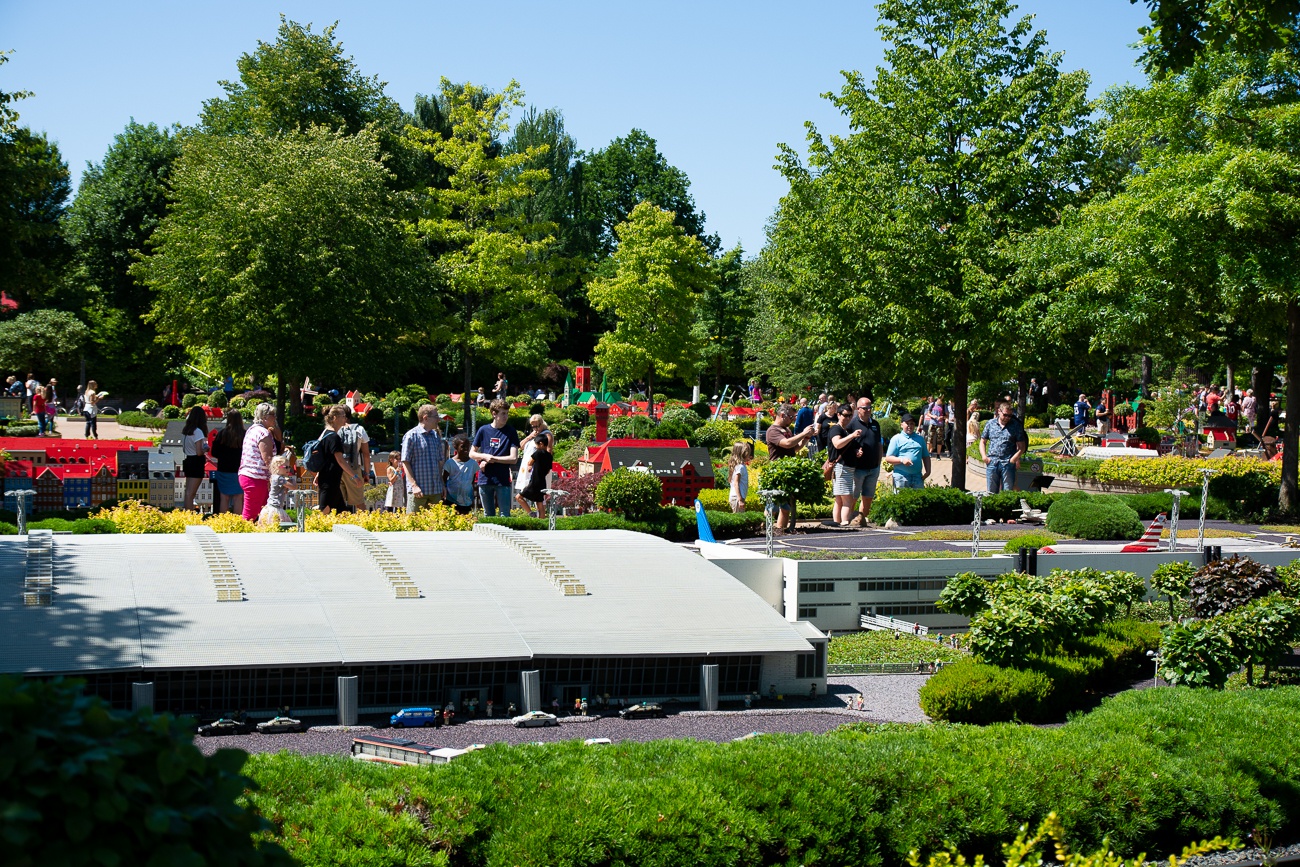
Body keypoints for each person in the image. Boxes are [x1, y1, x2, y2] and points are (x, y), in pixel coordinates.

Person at [765, 404, 818, 532]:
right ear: (782, 415)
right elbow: (787, 443)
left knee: (786, 507)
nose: (793, 419)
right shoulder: (773, 431)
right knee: (773, 506)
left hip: (787, 471)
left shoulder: (787, 430)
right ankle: (766, 530)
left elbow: (795, 448)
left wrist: (807, 437)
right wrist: (803, 433)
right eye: (791, 417)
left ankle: (781, 530)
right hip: (777, 471)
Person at [470, 399, 520, 517]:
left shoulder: (511, 431)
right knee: (488, 514)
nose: (506, 416)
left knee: (505, 515)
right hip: (485, 478)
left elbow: (514, 458)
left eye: (507, 413)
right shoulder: (483, 430)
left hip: (502, 479)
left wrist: (493, 459)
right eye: (503, 413)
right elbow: (471, 453)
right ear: (494, 414)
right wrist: (484, 456)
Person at [238, 402, 281, 521]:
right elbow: (268, 459)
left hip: (249, 475)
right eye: (273, 415)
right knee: (250, 516)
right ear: (264, 417)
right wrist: (276, 476)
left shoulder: (252, 430)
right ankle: (243, 531)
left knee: (262, 515)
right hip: (256, 478)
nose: (275, 418)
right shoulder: (263, 433)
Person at [844, 397, 883, 527]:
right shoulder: (852, 424)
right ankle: (849, 519)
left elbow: (879, 444)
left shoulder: (875, 424)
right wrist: (854, 451)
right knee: (853, 497)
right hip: (858, 468)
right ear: (858, 409)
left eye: (870, 408)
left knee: (868, 497)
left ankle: (862, 521)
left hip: (873, 467)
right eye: (865, 408)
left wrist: (879, 462)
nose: (868, 410)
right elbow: (846, 444)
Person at [401, 404, 446, 513]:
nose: (438, 420)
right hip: (418, 492)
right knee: (413, 522)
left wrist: (442, 484)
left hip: (435, 491)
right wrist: (414, 485)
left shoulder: (435, 436)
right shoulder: (411, 436)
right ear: (425, 418)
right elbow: (405, 462)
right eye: (436, 417)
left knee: (436, 523)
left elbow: (439, 463)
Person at [313, 404, 357, 515]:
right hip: (330, 479)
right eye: (343, 416)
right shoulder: (334, 437)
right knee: (324, 509)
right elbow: (340, 460)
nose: (345, 419)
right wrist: (355, 476)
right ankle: (316, 525)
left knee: (341, 511)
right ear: (335, 418)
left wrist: (318, 474)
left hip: (330, 478)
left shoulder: (325, 434)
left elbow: (324, 456)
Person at [980, 401, 1029, 494]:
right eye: (1005, 415)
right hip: (992, 462)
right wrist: (984, 456)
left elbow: (1021, 446)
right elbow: (983, 441)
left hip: (1007, 463)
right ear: (999, 411)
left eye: (1010, 416)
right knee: (991, 493)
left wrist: (1014, 459)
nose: (1007, 418)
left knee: (1007, 492)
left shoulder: (1015, 425)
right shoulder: (990, 424)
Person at [209, 409, 246, 516]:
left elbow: (214, 452)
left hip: (224, 469)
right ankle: (238, 521)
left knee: (224, 497)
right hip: (240, 470)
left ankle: (223, 521)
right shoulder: (245, 434)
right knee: (238, 497)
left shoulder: (222, 434)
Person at [514, 414, 551, 515]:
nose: (535, 429)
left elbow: (548, 452)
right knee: (533, 496)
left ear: (541, 423)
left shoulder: (546, 435)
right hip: (527, 470)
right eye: (533, 426)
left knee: (539, 499)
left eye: (537, 426)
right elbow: (520, 446)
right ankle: (534, 514)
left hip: (536, 472)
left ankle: (540, 518)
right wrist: (529, 437)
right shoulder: (533, 435)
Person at [885, 413, 931, 490]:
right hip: (901, 477)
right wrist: (902, 460)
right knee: (901, 498)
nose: (910, 426)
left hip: (917, 476)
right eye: (907, 423)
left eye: (912, 423)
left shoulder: (920, 439)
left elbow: (926, 456)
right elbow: (888, 458)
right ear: (901, 425)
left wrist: (928, 471)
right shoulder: (896, 439)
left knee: (919, 497)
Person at [338, 407, 371, 512]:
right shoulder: (359, 429)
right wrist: (366, 473)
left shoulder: (335, 429)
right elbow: (366, 454)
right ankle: (365, 521)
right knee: (359, 502)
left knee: (338, 502)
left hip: (337, 468)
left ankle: (340, 522)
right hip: (353, 468)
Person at [181, 406, 210, 511]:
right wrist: (206, 449)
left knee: (187, 491)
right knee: (191, 493)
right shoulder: (198, 432)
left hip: (188, 461)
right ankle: (189, 515)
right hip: (196, 462)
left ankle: (186, 513)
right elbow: (199, 452)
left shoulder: (186, 431)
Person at [519, 433, 554, 518]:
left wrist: (530, 466)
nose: (536, 446)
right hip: (542, 482)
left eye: (536, 444)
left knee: (518, 497)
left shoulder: (537, 453)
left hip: (534, 482)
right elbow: (548, 471)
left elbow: (529, 462)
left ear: (541, 444)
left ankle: (531, 513)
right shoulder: (549, 456)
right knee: (540, 503)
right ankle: (542, 521)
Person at [258, 454, 296, 526]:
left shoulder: (274, 477)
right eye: (286, 467)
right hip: (275, 508)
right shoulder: (279, 479)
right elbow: (293, 487)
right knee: (281, 526)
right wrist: (292, 478)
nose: (288, 469)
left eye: (289, 467)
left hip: (273, 506)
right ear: (277, 467)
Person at [443, 435, 476, 514]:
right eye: (462, 446)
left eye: (467, 446)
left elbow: (472, 480)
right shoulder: (450, 463)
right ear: (455, 447)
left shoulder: (473, 463)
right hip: (451, 498)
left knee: (465, 517)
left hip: (466, 499)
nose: (466, 449)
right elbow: (444, 478)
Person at [727, 440, 752, 513]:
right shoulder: (740, 467)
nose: (749, 455)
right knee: (739, 518)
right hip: (737, 498)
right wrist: (740, 499)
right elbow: (736, 483)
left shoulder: (738, 466)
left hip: (737, 497)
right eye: (747, 453)